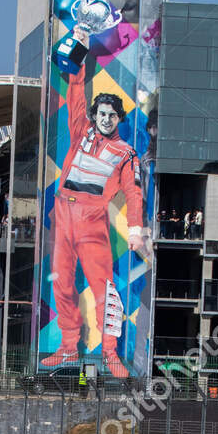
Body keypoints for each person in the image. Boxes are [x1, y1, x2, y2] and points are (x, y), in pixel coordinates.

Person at [41, 51, 146, 380]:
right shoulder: (82, 131)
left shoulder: (126, 153)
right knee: (61, 281)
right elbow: (75, 90)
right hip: (63, 211)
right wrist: (81, 49)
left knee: (105, 289)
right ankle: (69, 344)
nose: (105, 119)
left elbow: (133, 192)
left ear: (118, 118)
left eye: (112, 115)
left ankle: (110, 351)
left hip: (92, 218)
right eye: (101, 113)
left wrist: (135, 230)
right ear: (96, 114)